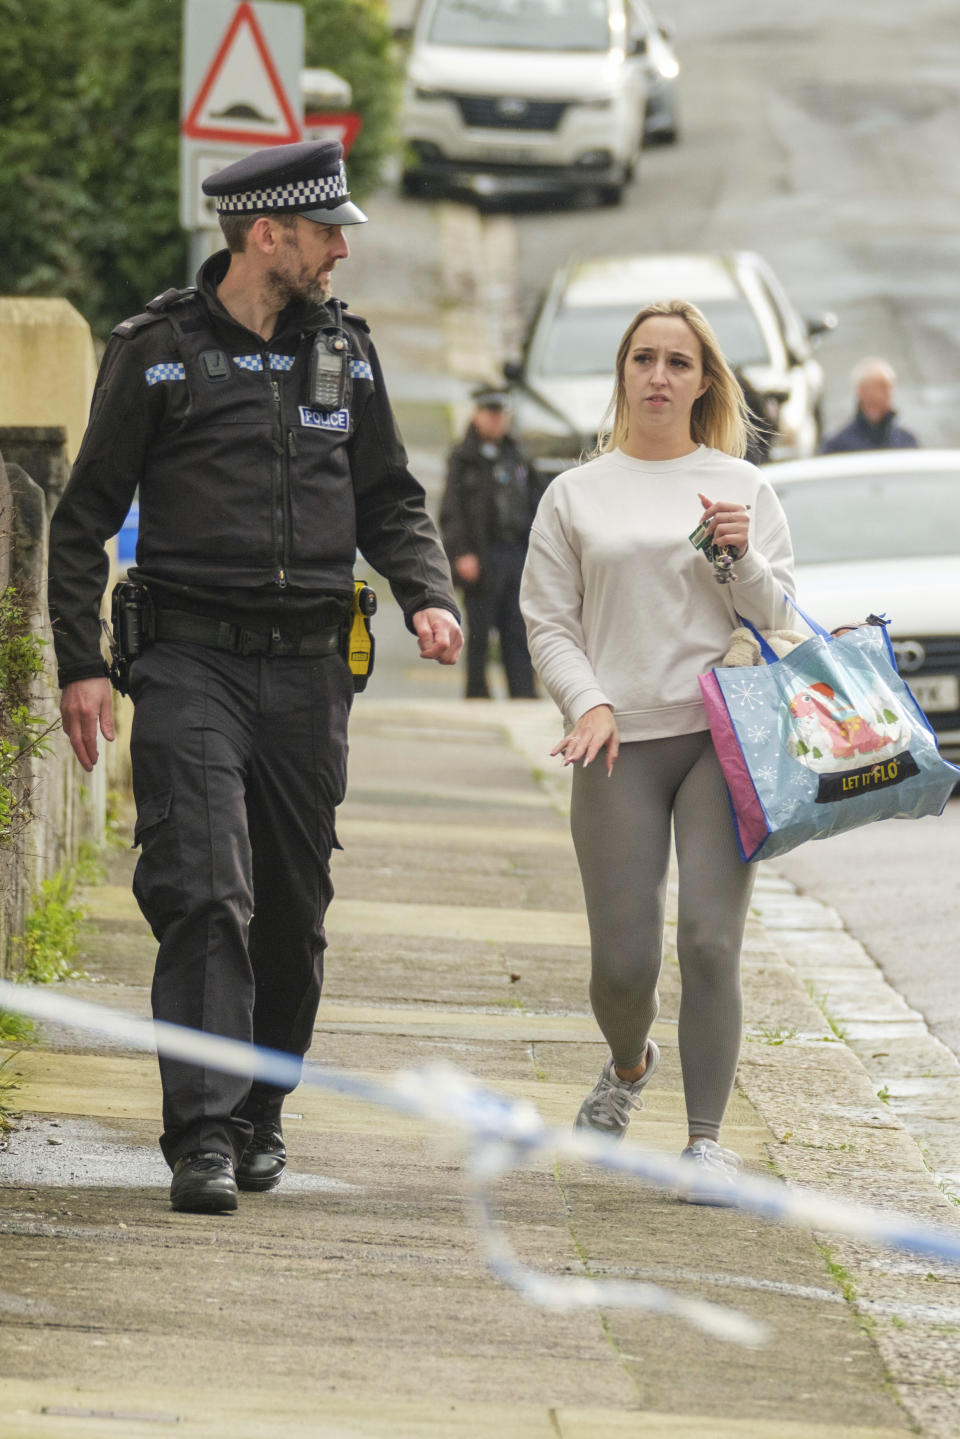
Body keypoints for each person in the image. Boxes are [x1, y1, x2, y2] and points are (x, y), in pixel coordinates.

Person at [47, 140, 463, 1215]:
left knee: (290, 909)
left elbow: (391, 497)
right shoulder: (157, 351)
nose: (341, 247)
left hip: (310, 670)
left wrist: (427, 591)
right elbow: (84, 516)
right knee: (203, 890)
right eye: (327, 230)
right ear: (266, 233)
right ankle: (199, 1135)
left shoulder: (346, 356)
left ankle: (259, 1112)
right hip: (189, 662)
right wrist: (81, 663)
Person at [519, 298, 797, 1201]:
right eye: (644, 358)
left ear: (704, 380)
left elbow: (780, 619)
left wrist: (744, 558)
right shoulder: (577, 492)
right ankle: (628, 1064)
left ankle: (707, 1141)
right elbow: (547, 622)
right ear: (623, 374)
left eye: (679, 362)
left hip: (720, 738)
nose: (660, 376)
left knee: (711, 943)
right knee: (624, 963)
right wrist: (588, 701)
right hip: (616, 745)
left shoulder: (742, 486)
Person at [439, 387, 539, 699]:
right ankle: (477, 694)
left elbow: (536, 504)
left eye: (501, 416)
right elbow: (451, 512)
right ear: (477, 415)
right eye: (490, 415)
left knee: (516, 631)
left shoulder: (519, 456)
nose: (496, 422)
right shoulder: (464, 458)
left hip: (515, 554)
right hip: (482, 556)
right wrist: (461, 554)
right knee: (479, 634)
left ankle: (523, 695)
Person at [820, 357, 919, 453]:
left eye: (890, 387)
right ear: (861, 391)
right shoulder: (838, 445)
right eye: (882, 387)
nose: (889, 393)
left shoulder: (906, 441)